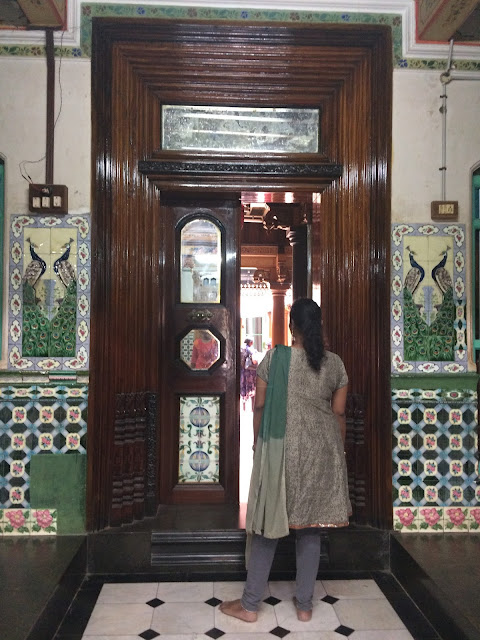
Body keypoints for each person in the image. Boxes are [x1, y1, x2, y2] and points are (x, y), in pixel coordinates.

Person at [220, 298, 350, 623]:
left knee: (269, 522)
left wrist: (258, 446)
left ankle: (250, 605)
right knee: (310, 529)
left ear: (292, 327)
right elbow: (338, 414)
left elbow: (260, 407)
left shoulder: (274, 359)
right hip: (321, 452)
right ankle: (304, 606)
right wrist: (338, 453)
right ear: (319, 326)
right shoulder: (335, 364)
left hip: (282, 451)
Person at [240, 337, 258, 411]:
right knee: (251, 389)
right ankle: (252, 409)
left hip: (243, 372)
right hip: (250, 372)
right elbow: (254, 361)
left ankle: (243, 409)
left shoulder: (241, 349)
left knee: (243, 389)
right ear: (250, 342)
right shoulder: (251, 350)